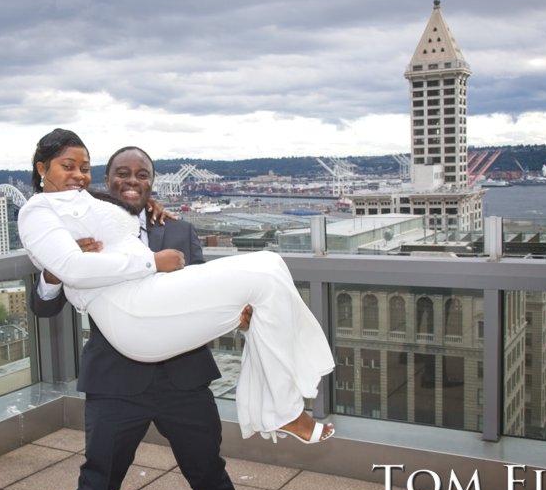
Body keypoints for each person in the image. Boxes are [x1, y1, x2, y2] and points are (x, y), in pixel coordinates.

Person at [21, 129, 336, 445]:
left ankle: (281, 407)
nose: (78, 174)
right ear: (42, 169)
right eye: (68, 166)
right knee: (266, 273)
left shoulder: (93, 202)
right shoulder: (37, 210)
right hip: (130, 313)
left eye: (84, 167)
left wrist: (145, 208)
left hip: (159, 318)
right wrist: (152, 262)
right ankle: (283, 409)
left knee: (271, 264)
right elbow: (71, 269)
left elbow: (112, 216)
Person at [32, 141, 253, 490]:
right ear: (105, 180)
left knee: (211, 480)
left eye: (142, 175)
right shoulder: (80, 230)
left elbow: (207, 293)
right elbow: (43, 307)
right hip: (115, 384)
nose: (131, 182)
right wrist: (53, 274)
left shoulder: (178, 231)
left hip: (183, 381)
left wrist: (238, 312)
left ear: (152, 183)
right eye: (122, 174)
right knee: (95, 489)